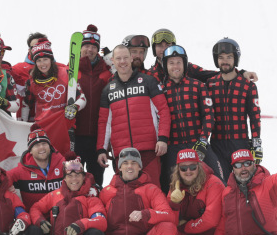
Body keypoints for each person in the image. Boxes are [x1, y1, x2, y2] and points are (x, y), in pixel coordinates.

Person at [97, 45, 170, 187]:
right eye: (118, 58)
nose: (122, 61)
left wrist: (162, 139)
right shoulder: (108, 90)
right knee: (126, 197)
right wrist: (101, 149)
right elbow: (104, 122)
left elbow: (163, 111)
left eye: (125, 57)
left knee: (152, 192)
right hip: (122, 153)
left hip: (149, 151)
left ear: (131, 58)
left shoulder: (149, 81)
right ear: (113, 61)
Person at [159, 44, 224, 192]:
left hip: (197, 143)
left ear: (185, 64)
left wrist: (202, 140)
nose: (176, 66)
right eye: (171, 63)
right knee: (169, 187)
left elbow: (208, 115)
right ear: (165, 65)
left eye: (179, 62)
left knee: (219, 182)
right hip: (173, 147)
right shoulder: (161, 90)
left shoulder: (198, 86)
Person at [207, 38, 262, 182]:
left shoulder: (247, 86)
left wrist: (256, 144)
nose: (225, 61)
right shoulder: (210, 84)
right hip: (217, 144)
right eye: (221, 58)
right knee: (221, 183)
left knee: (243, 182)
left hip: (240, 143)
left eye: (229, 57)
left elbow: (255, 117)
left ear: (236, 59)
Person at [147, 28, 258, 84]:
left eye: (168, 45)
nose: (164, 49)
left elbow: (216, 75)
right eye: (159, 46)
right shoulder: (150, 75)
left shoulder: (187, 68)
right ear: (154, 49)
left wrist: (242, 73)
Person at [74, 24, 110, 186]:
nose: (90, 50)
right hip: (76, 136)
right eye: (86, 46)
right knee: (75, 178)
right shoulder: (71, 71)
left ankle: (98, 209)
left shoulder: (106, 73)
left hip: (98, 136)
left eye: (93, 47)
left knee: (96, 180)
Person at [21, 37, 86, 122]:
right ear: (35, 63)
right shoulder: (32, 81)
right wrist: (23, 124)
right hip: (42, 127)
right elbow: (26, 105)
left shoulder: (66, 73)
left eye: (45, 59)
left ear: (51, 60)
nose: (42, 64)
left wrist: (75, 107)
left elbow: (82, 97)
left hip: (63, 124)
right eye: (39, 61)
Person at [7, 124, 66, 211]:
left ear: (50, 147)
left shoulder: (63, 164)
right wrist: (7, 186)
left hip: (60, 217)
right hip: (34, 219)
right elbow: (1, 178)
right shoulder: (22, 170)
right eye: (37, 145)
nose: (41, 147)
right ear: (30, 151)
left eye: (44, 143)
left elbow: (84, 177)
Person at [12, 32, 47, 120]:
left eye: (42, 45)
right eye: (35, 47)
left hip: (48, 121)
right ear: (29, 50)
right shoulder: (18, 68)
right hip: (24, 124)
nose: (39, 49)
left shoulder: (58, 68)